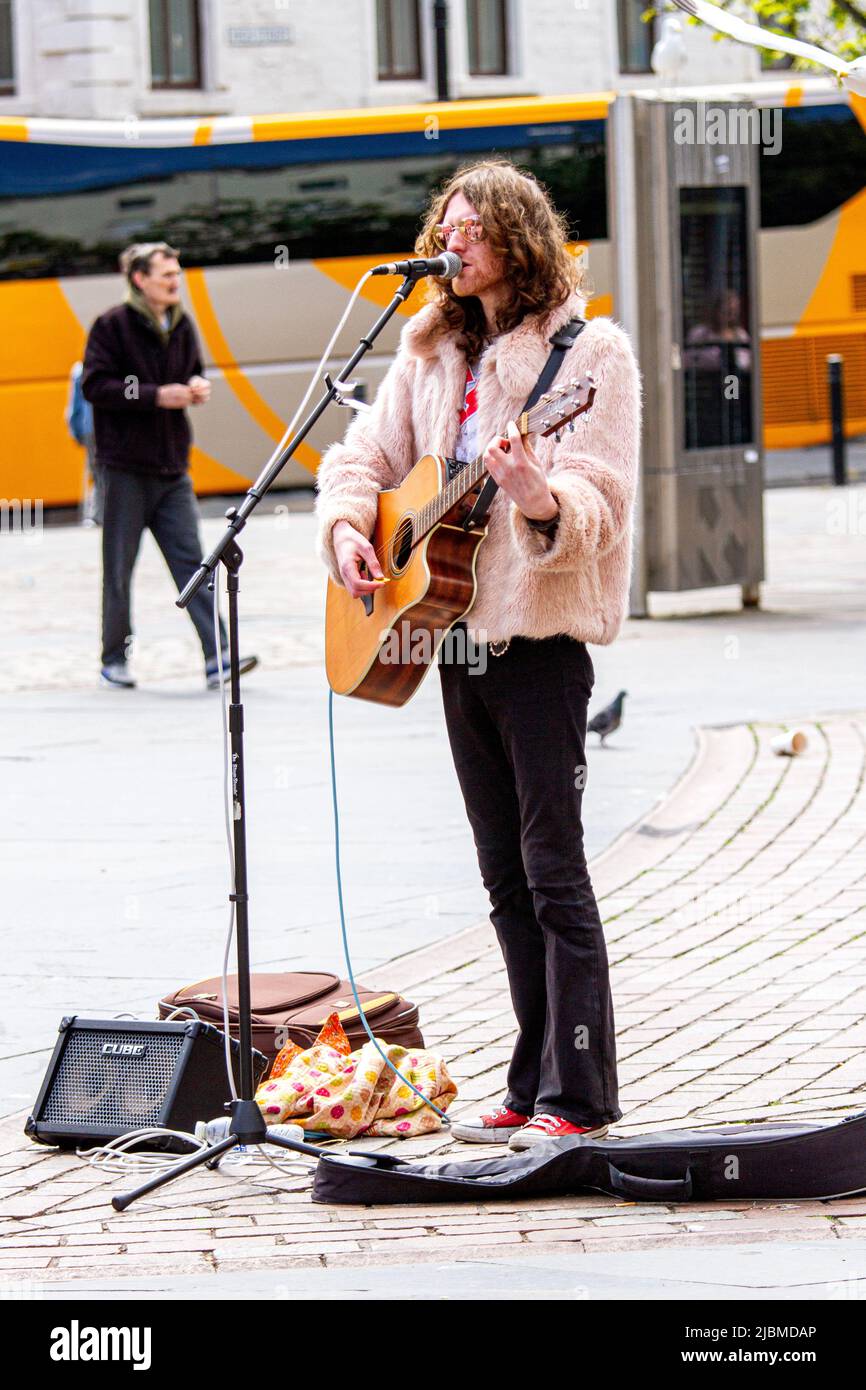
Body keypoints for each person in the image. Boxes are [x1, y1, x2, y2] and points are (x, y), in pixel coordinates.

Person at [314, 159, 641, 1150]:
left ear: (516, 240)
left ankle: (578, 1094)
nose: (448, 243)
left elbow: (603, 499)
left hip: (538, 643)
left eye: (468, 230)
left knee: (552, 871)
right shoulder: (428, 351)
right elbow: (358, 462)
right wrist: (344, 531)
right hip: (455, 638)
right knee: (501, 873)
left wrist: (540, 498)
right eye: (442, 227)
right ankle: (527, 1073)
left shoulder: (590, 358)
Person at [81, 241, 258, 690]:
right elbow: (96, 386)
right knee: (118, 569)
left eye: (177, 274)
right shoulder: (111, 326)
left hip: (172, 468)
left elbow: (193, 369)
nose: (175, 282)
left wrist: (195, 386)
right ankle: (113, 660)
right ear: (140, 279)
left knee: (194, 563)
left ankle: (218, 657)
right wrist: (155, 395)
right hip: (124, 469)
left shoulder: (181, 325)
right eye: (166, 275)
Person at [65, 360, 101, 527]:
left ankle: (95, 513)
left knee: (95, 471)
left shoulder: (79, 370)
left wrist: (76, 432)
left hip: (90, 428)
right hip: (109, 427)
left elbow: (74, 408)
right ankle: (100, 511)